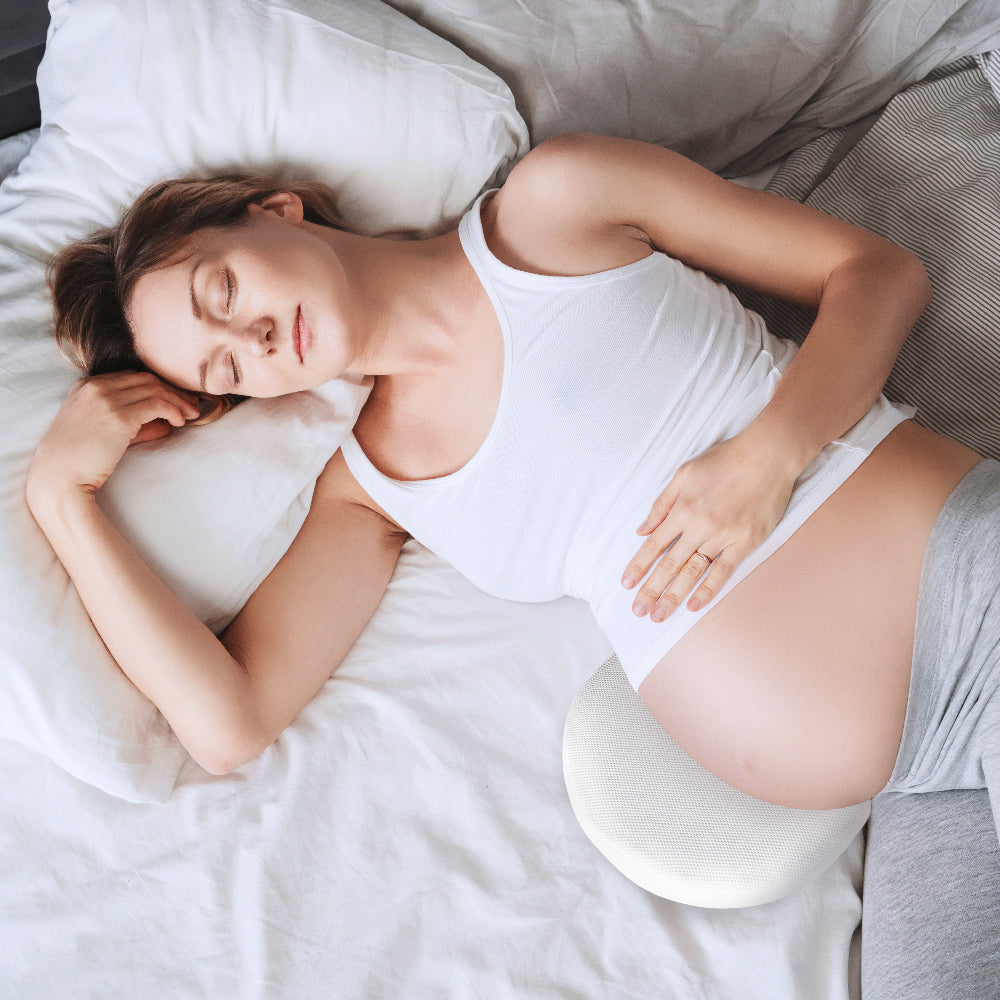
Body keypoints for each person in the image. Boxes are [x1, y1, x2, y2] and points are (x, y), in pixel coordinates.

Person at [26, 134, 998, 826]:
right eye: (226, 370)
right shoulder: (371, 490)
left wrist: (767, 456)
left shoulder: (553, 205)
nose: (255, 340)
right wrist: (61, 503)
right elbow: (228, 723)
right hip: (913, 779)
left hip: (972, 603)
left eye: (223, 292)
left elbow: (876, 272)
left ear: (274, 211)